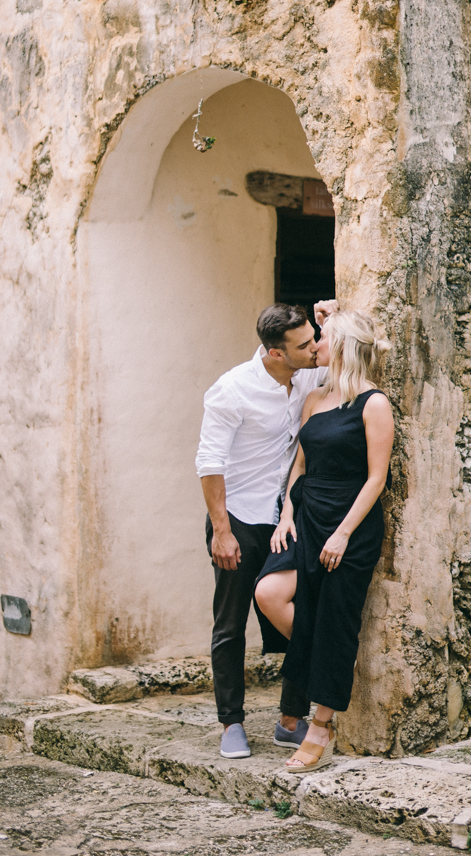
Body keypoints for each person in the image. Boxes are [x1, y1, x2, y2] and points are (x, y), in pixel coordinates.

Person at [196, 299, 338, 760]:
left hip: (288, 518)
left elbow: (354, 348)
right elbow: (209, 463)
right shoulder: (232, 389)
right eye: (304, 344)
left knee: (297, 610)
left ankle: (289, 720)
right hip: (238, 518)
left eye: (313, 339)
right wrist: (221, 531)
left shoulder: (309, 372)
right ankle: (230, 724)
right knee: (231, 623)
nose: (315, 348)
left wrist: (333, 316)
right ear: (277, 353)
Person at [254, 310, 394, 772]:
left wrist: (343, 533)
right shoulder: (314, 397)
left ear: (342, 346)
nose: (314, 344)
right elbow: (300, 464)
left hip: (348, 524)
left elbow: (376, 480)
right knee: (270, 592)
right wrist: (286, 517)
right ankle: (331, 665)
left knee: (335, 618)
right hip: (306, 516)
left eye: (322, 338)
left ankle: (319, 727)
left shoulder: (374, 404)